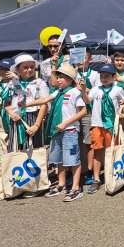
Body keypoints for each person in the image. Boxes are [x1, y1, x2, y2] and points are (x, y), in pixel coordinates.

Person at [26, 65, 86, 201]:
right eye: (58, 77)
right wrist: (27, 105)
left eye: (62, 77)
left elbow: (83, 111)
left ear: (71, 80)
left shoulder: (75, 92)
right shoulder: (58, 91)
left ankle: (76, 187)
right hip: (56, 130)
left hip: (69, 131)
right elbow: (44, 100)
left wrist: (66, 123)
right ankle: (61, 184)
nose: (59, 80)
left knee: (73, 160)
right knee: (59, 159)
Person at [83, 64, 124, 194]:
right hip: (97, 125)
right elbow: (87, 100)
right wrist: (83, 90)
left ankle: (112, 175)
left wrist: (122, 111)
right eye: (102, 76)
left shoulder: (118, 89)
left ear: (114, 77)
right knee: (97, 152)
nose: (104, 78)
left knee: (112, 151)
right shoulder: (96, 89)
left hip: (111, 125)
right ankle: (96, 179)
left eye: (107, 76)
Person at [5, 54, 49, 150]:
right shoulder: (12, 83)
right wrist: (11, 113)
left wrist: (36, 125)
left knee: (34, 150)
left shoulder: (39, 83)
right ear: (18, 69)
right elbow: (7, 103)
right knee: (16, 150)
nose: (29, 70)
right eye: (25, 67)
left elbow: (43, 106)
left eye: (32, 67)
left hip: (33, 118)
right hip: (16, 120)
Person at [74, 50, 100, 186]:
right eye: (77, 57)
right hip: (73, 112)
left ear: (89, 60)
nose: (79, 60)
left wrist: (84, 89)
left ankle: (89, 170)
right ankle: (78, 170)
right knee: (76, 141)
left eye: (83, 57)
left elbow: (98, 92)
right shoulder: (72, 73)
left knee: (89, 142)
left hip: (88, 111)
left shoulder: (95, 75)